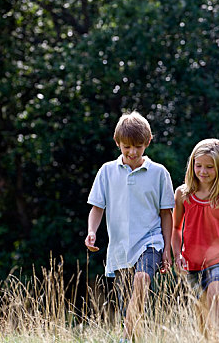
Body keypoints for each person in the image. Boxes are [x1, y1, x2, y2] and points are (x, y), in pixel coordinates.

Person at [84, 111, 175, 340]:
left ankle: (125, 336)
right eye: (126, 147)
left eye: (138, 146)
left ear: (148, 142)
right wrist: (92, 232)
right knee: (129, 305)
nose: (132, 152)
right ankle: (133, 336)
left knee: (142, 279)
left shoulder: (159, 173)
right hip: (121, 248)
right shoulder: (107, 171)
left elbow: (166, 214)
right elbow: (97, 207)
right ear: (117, 143)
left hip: (151, 241)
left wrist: (167, 249)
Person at [171, 138, 219, 337]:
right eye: (199, 166)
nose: (203, 171)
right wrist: (177, 255)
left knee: (215, 296)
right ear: (192, 165)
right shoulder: (182, 194)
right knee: (202, 312)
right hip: (193, 263)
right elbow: (175, 229)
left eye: (210, 167)